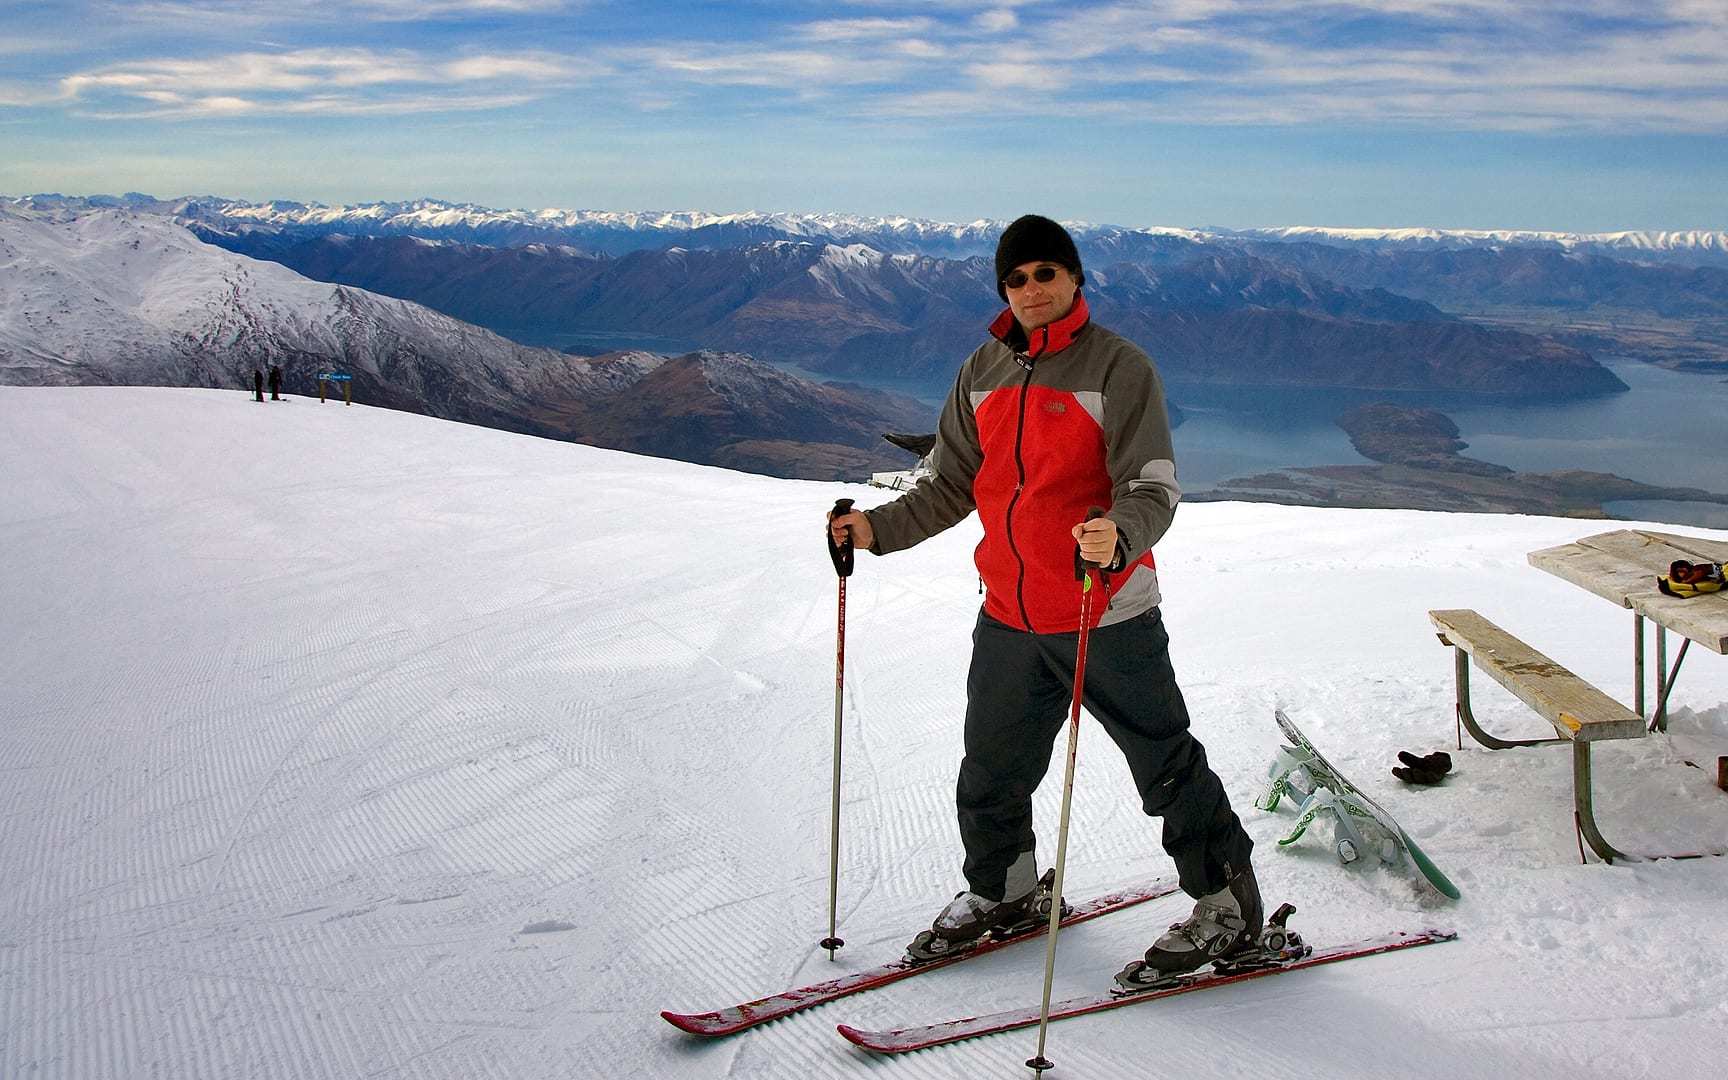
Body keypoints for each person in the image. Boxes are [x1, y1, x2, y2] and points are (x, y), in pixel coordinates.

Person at [826, 214, 1260, 980]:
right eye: (1016, 278)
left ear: (1073, 278)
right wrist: (874, 529)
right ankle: (1006, 891)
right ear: (1004, 288)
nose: (1031, 288)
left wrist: (1118, 534)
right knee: (990, 770)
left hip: (1106, 611)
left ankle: (1229, 907)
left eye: (1045, 273)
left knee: (1164, 765)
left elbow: (1152, 488)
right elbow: (953, 484)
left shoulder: (1119, 367)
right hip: (1009, 616)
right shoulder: (983, 369)